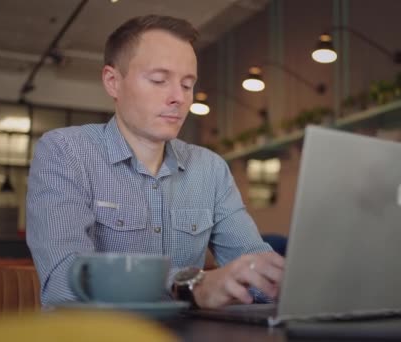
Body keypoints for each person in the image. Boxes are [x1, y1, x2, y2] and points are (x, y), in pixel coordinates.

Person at [26, 15, 284, 309]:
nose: (179, 98)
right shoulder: (65, 152)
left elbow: (254, 264)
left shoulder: (210, 169)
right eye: (159, 80)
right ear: (113, 82)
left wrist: (282, 281)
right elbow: (64, 279)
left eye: (187, 85)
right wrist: (189, 285)